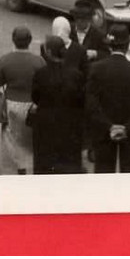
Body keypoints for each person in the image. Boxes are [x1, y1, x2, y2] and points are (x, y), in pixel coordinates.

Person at [84, 23, 130, 173]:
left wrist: (109, 126)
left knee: (104, 173)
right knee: (128, 172)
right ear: (127, 46)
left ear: (109, 46)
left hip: (103, 132)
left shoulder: (96, 69)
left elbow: (91, 104)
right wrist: (127, 128)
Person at [0, 26, 47, 174]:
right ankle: (31, 167)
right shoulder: (39, 61)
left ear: (13, 40)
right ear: (29, 41)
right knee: (31, 140)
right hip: (33, 105)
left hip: (12, 105)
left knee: (11, 139)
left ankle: (17, 168)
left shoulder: (5, 60)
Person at [30, 35, 86, 174]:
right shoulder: (76, 75)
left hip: (46, 126)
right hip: (70, 126)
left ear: (48, 52)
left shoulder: (41, 74)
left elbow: (35, 97)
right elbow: (81, 99)